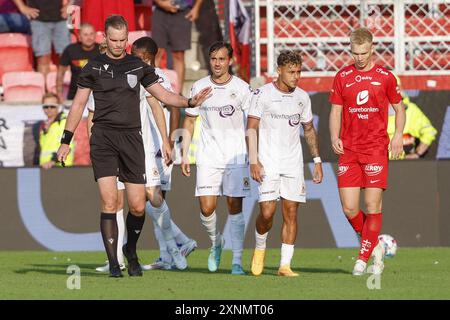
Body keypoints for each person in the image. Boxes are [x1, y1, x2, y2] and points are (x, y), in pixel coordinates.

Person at [56, 15, 211, 278]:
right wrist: (65, 141)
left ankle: (130, 249)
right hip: (104, 139)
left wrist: (189, 102)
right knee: (109, 201)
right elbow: (79, 105)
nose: (117, 45)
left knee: (138, 206)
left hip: (132, 139)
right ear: (104, 38)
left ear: (127, 39)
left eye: (122, 40)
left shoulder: (137, 66)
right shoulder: (92, 67)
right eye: (113, 40)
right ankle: (114, 264)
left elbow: (162, 96)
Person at [90, 36, 197, 273]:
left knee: (151, 198)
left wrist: (170, 139)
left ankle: (175, 245)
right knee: (129, 201)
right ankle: (122, 257)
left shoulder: (155, 77)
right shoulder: (123, 73)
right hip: (128, 145)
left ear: (147, 58)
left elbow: (166, 105)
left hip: (153, 148)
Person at [329, 28, 406, 276]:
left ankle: (364, 258)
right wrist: (334, 135)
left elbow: (400, 109)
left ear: (372, 48)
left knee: (372, 205)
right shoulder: (342, 76)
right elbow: (336, 111)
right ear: (350, 49)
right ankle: (374, 244)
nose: (359, 57)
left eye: (363, 52)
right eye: (355, 53)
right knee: (349, 208)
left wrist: (397, 136)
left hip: (375, 149)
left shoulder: (385, 77)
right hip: (349, 150)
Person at [247, 50, 323, 277]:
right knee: (267, 213)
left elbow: (309, 129)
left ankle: (284, 265)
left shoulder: (302, 97)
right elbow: (251, 128)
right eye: (291, 72)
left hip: (293, 163)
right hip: (267, 161)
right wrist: (253, 160)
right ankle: (260, 249)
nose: (296, 76)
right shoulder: (262, 94)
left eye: (298, 72)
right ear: (279, 70)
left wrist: (317, 160)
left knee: (291, 213)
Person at [181, 41, 252, 275]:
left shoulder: (242, 89)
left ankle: (237, 262)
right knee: (207, 208)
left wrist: (255, 156)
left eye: (222, 59)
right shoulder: (199, 87)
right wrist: (184, 154)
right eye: (213, 59)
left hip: (235, 156)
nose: (217, 63)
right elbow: (190, 120)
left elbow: (253, 124)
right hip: (208, 156)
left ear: (229, 61)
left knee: (235, 207)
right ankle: (216, 242)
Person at [152, 0, 203, 93]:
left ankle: (177, 95)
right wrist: (160, 2)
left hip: (183, 10)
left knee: (179, 55)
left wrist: (197, 8)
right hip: (159, 9)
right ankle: (154, 93)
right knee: (156, 52)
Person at [13, 0, 71, 78]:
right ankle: (44, 89)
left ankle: (65, 88)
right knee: (43, 59)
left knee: (65, 58)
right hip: (38, 20)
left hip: (61, 19)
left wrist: (70, 5)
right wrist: (22, 7)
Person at [387, 79, 437, 160]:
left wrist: (417, 154)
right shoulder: (369, 111)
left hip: (404, 165)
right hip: (377, 166)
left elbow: (430, 132)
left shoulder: (411, 110)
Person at [57, 23, 99, 101]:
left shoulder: (102, 51)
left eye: (91, 34)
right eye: (85, 34)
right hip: (74, 96)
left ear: (95, 35)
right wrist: (59, 95)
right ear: (79, 37)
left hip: (97, 97)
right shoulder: (70, 50)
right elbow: (60, 73)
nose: (89, 37)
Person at [39, 92, 75, 169]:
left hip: (61, 167)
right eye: (46, 106)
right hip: (46, 168)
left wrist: (53, 161)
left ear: (58, 107)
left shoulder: (64, 122)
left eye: (52, 106)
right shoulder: (44, 126)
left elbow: (69, 146)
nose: (49, 109)